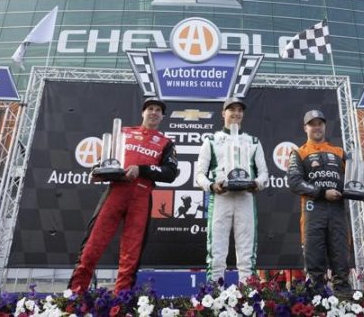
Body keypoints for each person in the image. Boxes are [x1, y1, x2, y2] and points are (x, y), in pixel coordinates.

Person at [68, 97, 178, 293]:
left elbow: (170, 173)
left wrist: (141, 170)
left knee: (131, 252)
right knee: (92, 246)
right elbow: (105, 161)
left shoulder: (165, 142)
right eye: (150, 109)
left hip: (142, 198)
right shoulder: (124, 132)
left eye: (158, 110)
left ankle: (121, 301)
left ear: (162, 117)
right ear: (143, 112)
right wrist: (96, 171)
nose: (153, 112)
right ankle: (74, 296)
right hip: (116, 193)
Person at [287, 109, 364, 298]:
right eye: (312, 123)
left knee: (341, 258)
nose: (316, 127)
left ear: (324, 126)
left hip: (337, 212)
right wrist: (322, 193)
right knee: (314, 262)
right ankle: (318, 301)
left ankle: (344, 300)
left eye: (319, 123)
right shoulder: (299, 152)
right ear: (305, 128)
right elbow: (295, 182)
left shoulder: (339, 152)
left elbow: (357, 176)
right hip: (313, 212)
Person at [195, 97, 269, 285]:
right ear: (223, 113)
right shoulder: (211, 140)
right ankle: (214, 296)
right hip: (221, 198)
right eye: (231, 110)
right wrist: (212, 186)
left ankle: (248, 296)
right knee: (217, 251)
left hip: (245, 198)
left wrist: (256, 184)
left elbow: (264, 174)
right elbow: (199, 175)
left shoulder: (253, 141)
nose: (236, 113)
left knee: (246, 251)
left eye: (239, 110)